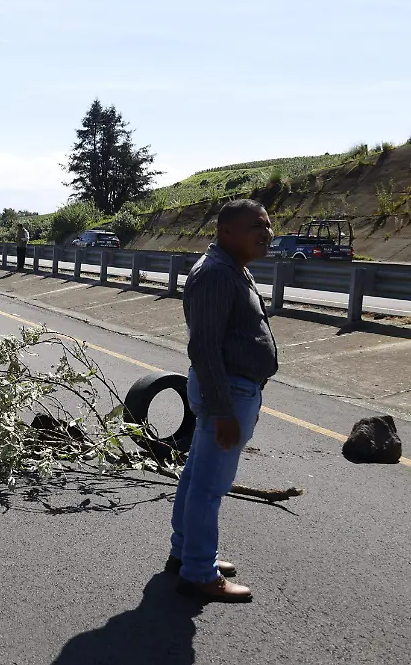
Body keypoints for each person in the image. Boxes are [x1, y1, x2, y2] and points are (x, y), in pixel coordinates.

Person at [167, 198, 277, 602]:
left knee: (197, 476)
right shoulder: (216, 274)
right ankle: (199, 571)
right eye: (256, 227)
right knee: (210, 486)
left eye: (267, 225)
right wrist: (223, 409)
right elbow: (206, 348)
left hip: (230, 389)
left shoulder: (233, 269)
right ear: (226, 232)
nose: (266, 233)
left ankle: (186, 554)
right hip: (227, 391)